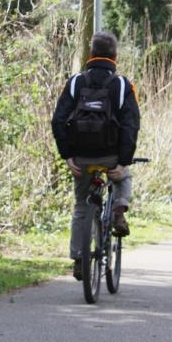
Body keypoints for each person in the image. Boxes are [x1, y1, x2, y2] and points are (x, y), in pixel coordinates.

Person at [51, 31, 140, 280]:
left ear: (91, 54)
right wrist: (123, 161)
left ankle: (79, 258)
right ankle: (119, 209)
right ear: (115, 57)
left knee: (81, 206)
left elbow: (58, 120)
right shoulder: (122, 85)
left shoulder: (76, 82)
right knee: (123, 178)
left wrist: (67, 155)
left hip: (81, 159)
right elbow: (131, 125)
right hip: (111, 157)